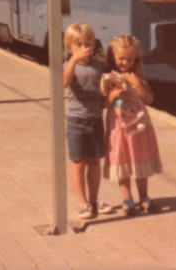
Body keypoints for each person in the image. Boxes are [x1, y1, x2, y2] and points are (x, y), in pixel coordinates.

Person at [103, 35, 163, 216]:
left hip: (138, 127)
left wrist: (137, 83)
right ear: (112, 56)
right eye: (121, 58)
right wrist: (114, 95)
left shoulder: (137, 75)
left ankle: (144, 196)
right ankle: (127, 199)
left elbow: (149, 99)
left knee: (139, 159)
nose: (125, 62)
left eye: (130, 58)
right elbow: (103, 104)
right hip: (118, 127)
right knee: (121, 159)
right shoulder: (107, 77)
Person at [63, 22, 114, 220]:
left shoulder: (99, 66)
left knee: (94, 162)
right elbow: (64, 82)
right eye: (79, 45)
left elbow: (104, 91)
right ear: (70, 47)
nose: (85, 49)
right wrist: (74, 60)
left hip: (95, 121)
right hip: (76, 121)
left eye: (89, 44)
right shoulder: (68, 67)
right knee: (78, 163)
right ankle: (82, 202)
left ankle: (94, 201)